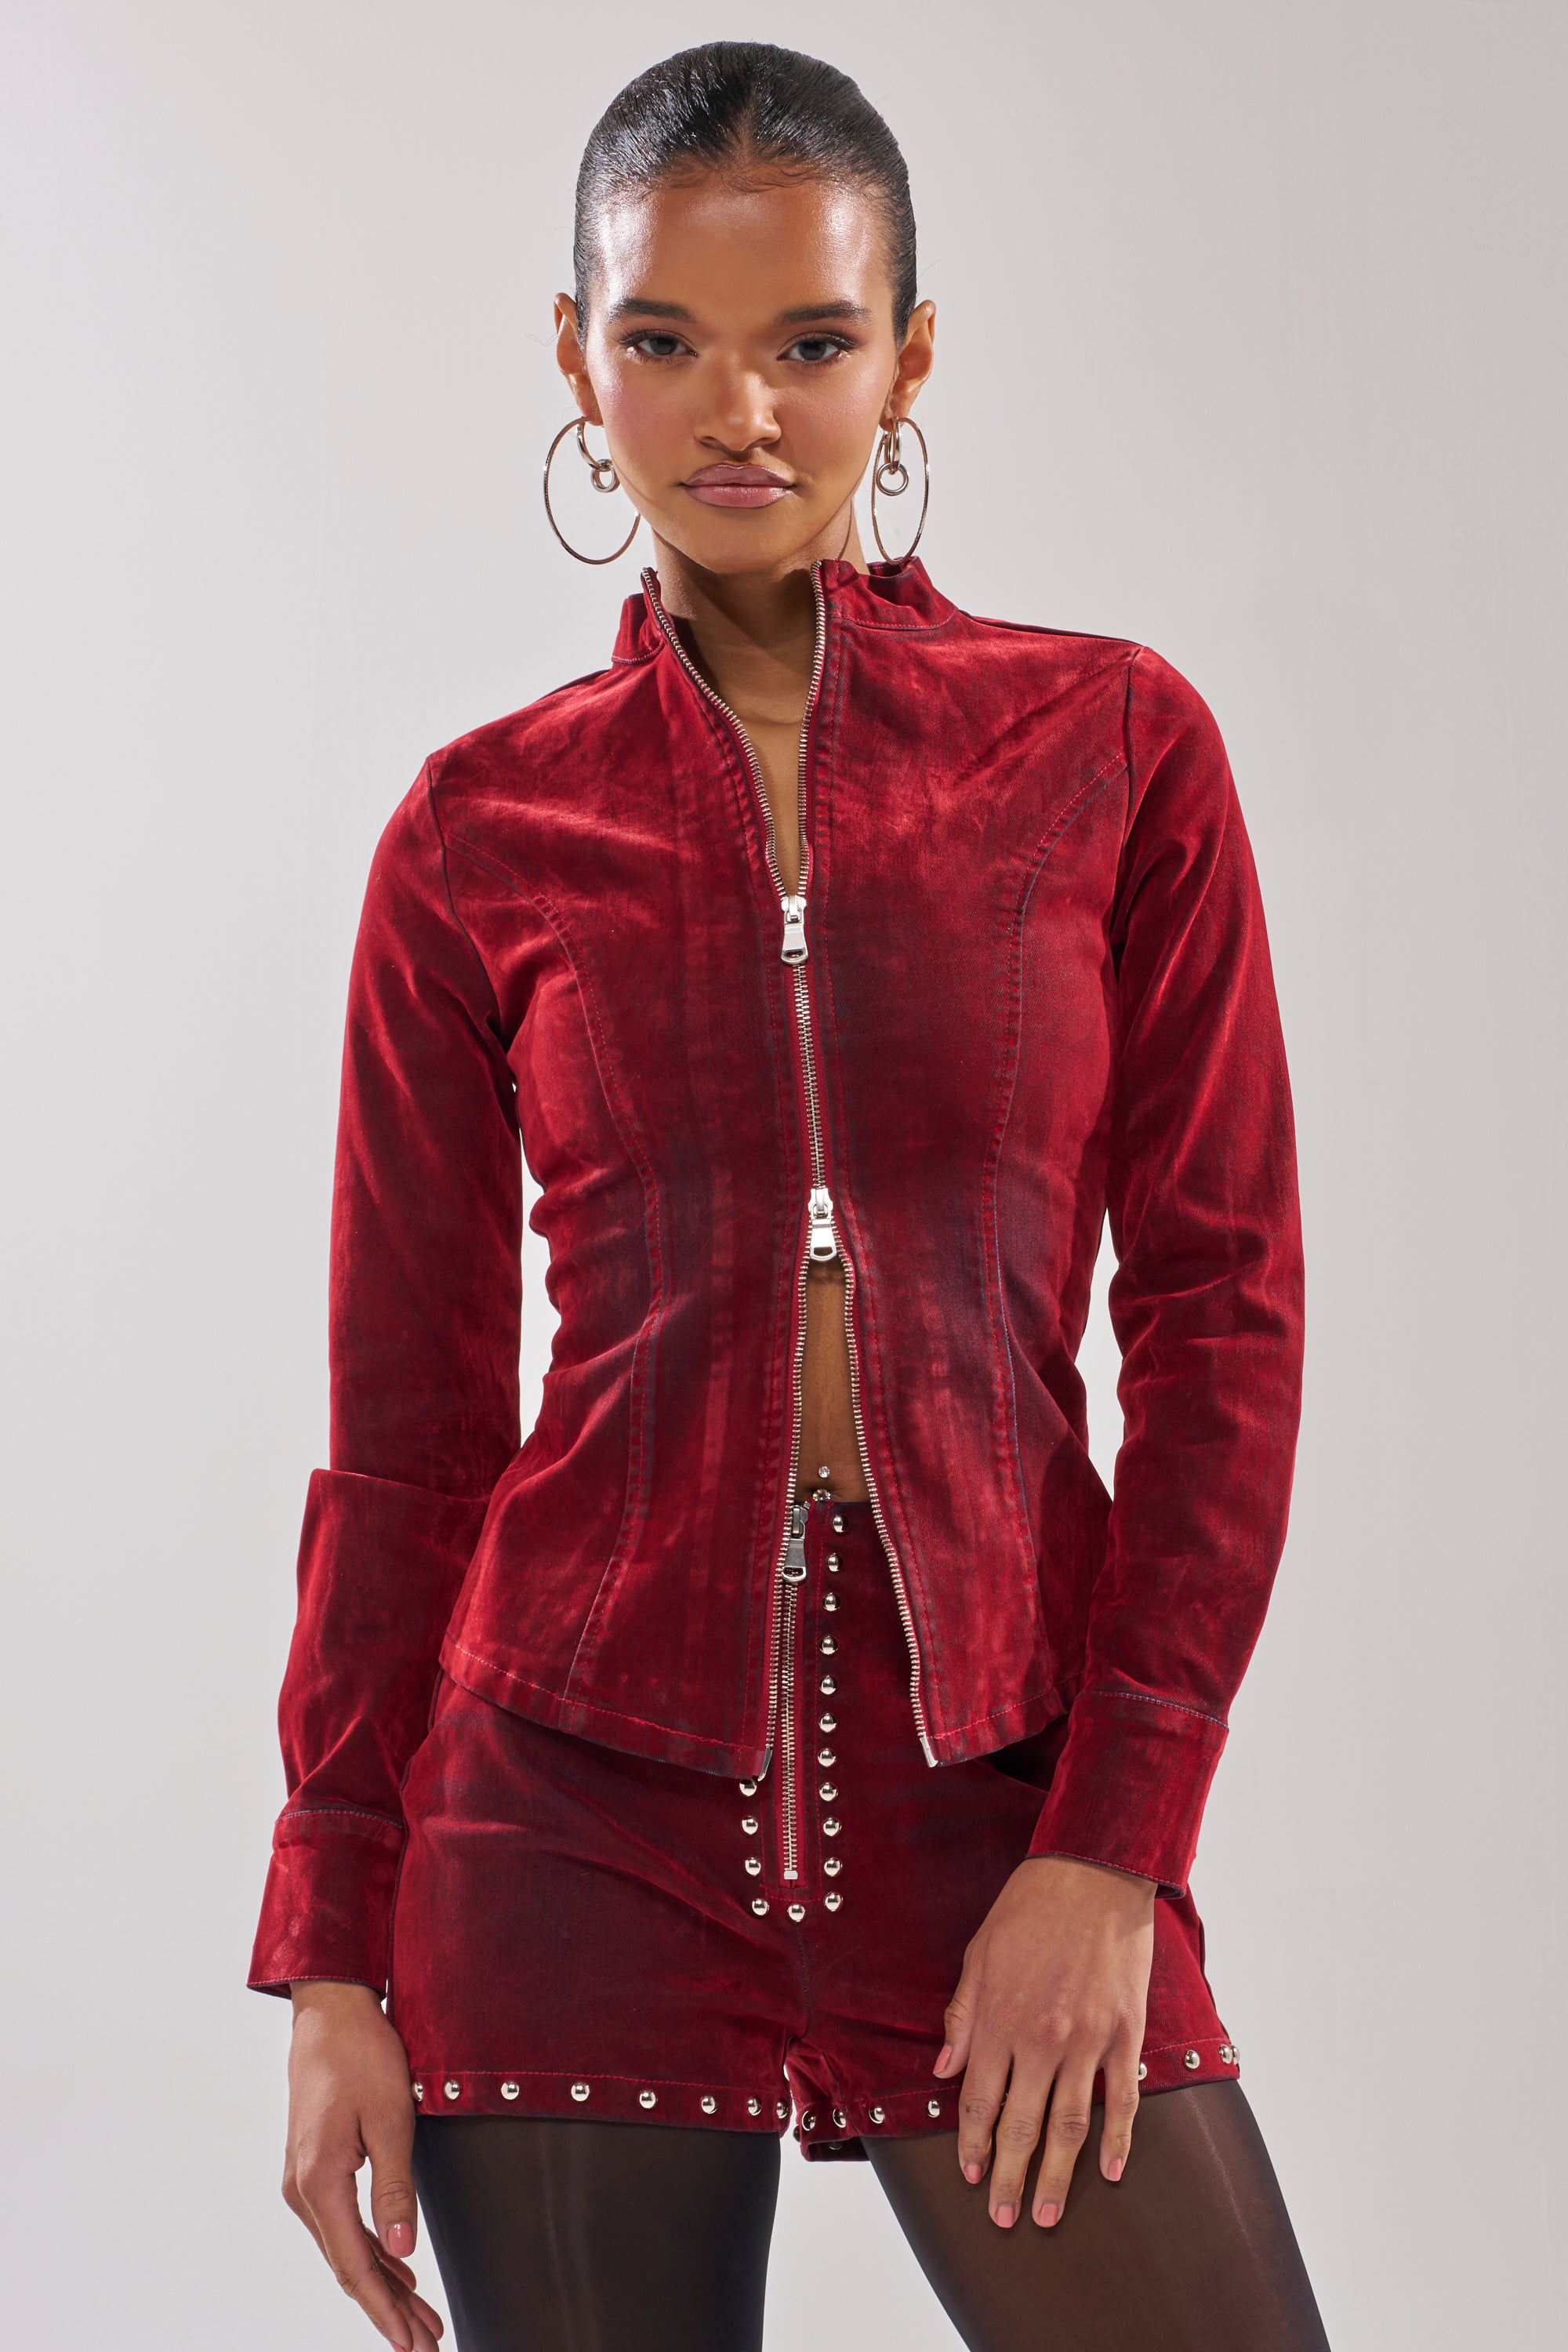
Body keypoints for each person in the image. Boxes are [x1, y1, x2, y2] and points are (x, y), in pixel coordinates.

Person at [252, 41, 1327, 2352]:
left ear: (909, 358)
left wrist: (1117, 1835)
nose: (737, 414)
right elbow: (409, 1435)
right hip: (566, 1817)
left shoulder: (1113, 747)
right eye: (663, 342)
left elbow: (1227, 1320)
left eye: (812, 345)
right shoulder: (477, 834)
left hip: (1000, 1778)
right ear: (577, 356)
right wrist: (336, 1946)